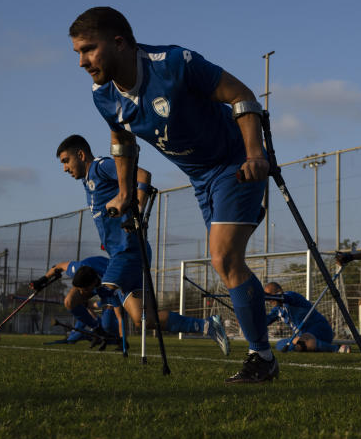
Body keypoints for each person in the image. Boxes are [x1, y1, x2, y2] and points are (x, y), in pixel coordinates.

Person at [70, 7, 272, 383]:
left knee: (224, 258)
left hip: (234, 162)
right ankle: (263, 350)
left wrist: (256, 154)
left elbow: (242, 95)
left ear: (118, 43)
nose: (82, 62)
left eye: (88, 50)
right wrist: (126, 193)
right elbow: (122, 140)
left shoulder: (175, 63)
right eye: (78, 53)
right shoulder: (103, 96)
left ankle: (262, 356)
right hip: (199, 178)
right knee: (228, 262)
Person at [51, 139, 229, 356]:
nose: (65, 168)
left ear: (80, 155)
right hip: (121, 252)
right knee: (143, 318)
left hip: (129, 251)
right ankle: (208, 326)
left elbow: (143, 176)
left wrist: (138, 212)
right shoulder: (88, 181)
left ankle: (97, 330)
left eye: (66, 161)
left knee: (86, 293)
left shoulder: (101, 167)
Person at [264, 282, 350, 354]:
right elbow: (265, 321)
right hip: (302, 337)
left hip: (321, 330)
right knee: (279, 344)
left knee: (304, 340)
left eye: (270, 296)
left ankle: (336, 348)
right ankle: (305, 345)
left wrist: (273, 296)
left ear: (279, 292)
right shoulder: (277, 310)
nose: (269, 300)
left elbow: (286, 298)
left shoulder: (292, 296)